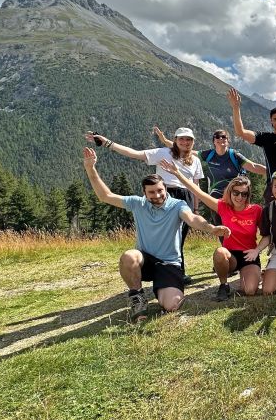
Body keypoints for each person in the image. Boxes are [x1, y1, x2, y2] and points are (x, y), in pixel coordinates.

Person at [82, 148, 229, 320]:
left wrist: (211, 228)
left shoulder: (177, 205)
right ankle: (137, 296)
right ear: (144, 193)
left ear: (165, 188)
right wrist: (90, 168)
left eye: (160, 190)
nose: (157, 195)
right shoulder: (138, 204)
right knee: (129, 256)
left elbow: (192, 219)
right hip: (145, 261)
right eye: (151, 192)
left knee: (171, 305)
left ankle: (162, 289)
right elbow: (105, 196)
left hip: (169, 263)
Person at [85, 128, 204, 282]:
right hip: (162, 194)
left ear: (193, 142)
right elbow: (135, 153)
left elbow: (196, 186)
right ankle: (154, 268)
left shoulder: (195, 160)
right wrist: (108, 143)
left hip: (185, 196)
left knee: (179, 237)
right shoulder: (163, 152)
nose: (185, 142)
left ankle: (176, 271)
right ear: (175, 140)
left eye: (188, 139)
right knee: (157, 234)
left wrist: (195, 209)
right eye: (182, 139)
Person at [159, 160, 262, 300]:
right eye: (236, 193)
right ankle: (224, 285)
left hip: (249, 256)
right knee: (219, 253)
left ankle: (252, 275)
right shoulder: (223, 206)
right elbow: (198, 192)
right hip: (230, 255)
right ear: (230, 192)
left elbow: (267, 233)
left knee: (250, 291)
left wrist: (259, 250)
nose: (239, 197)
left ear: (248, 195)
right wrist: (177, 173)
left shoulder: (256, 210)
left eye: (244, 194)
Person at [155, 126, 265, 207]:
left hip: (236, 194)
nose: (221, 138)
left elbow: (254, 167)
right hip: (216, 196)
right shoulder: (209, 155)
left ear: (228, 141)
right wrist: (165, 140)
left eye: (224, 137)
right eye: (217, 136)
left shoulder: (234, 155)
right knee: (220, 225)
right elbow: (185, 149)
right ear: (214, 141)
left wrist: (273, 171)